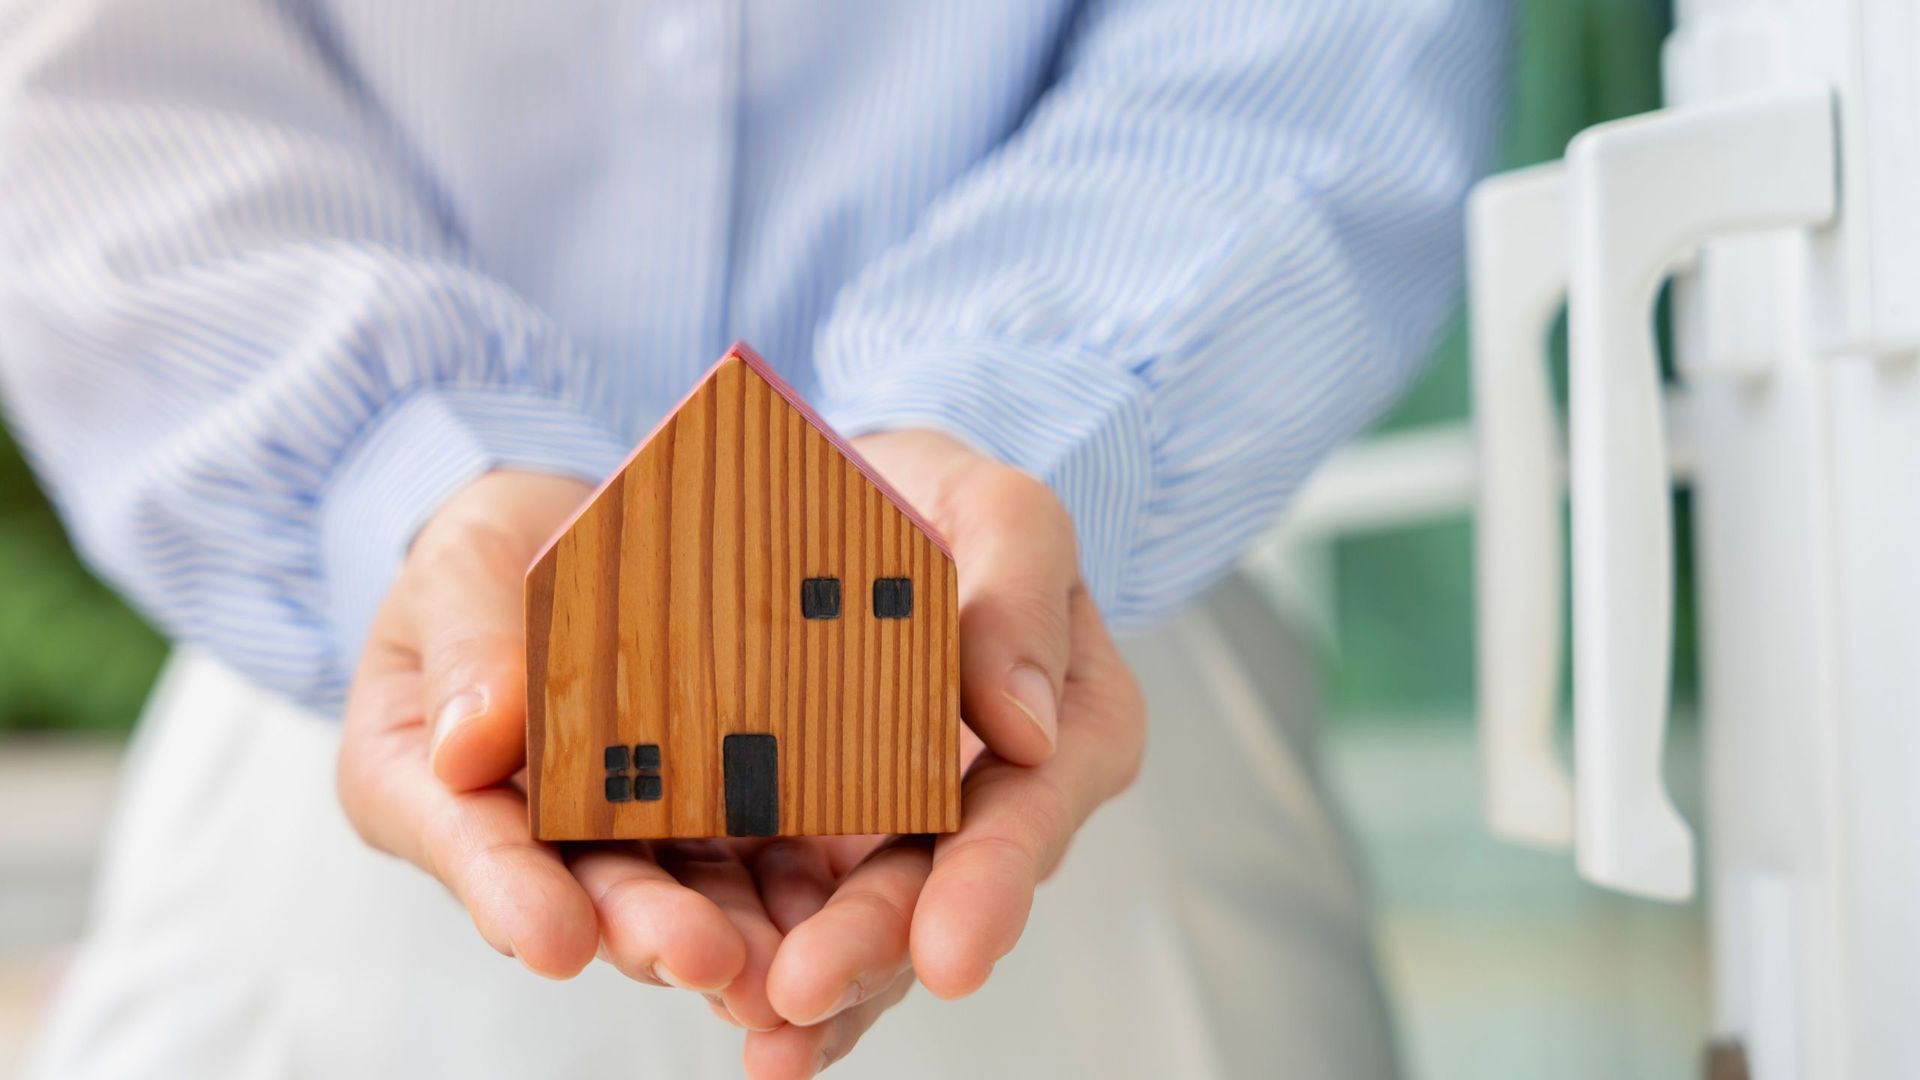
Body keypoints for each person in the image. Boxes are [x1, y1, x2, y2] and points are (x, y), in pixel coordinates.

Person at [0, 1, 1506, 1077]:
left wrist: (1016, 417)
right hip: (389, 681)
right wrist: (411, 470)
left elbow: (1321, 45)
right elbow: (86, 88)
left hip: (1046, 657)